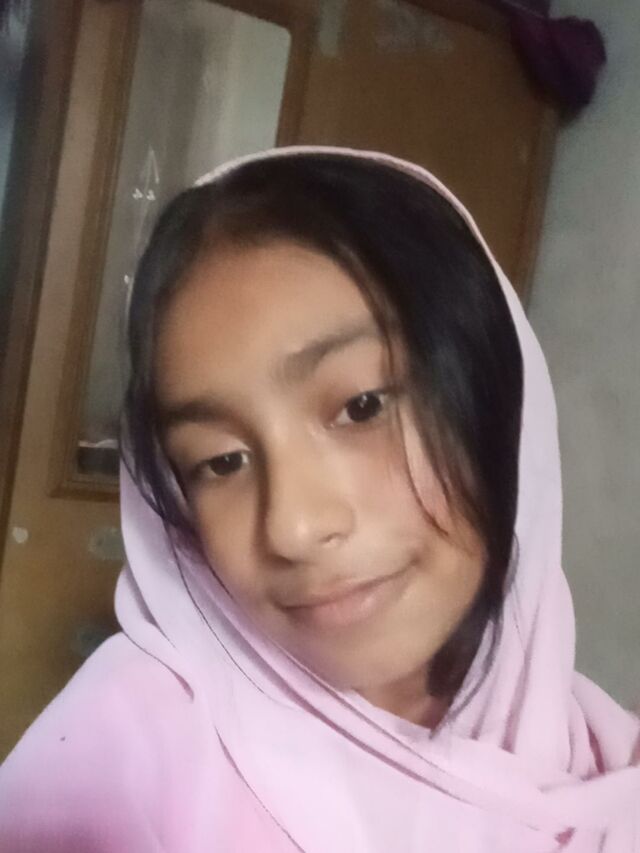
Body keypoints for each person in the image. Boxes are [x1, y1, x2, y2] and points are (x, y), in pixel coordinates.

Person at [0, 147, 638, 851]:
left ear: (499, 399)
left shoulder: (604, 763)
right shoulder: (116, 773)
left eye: (362, 406)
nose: (294, 526)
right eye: (220, 461)